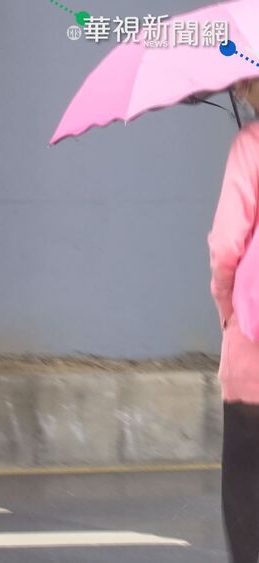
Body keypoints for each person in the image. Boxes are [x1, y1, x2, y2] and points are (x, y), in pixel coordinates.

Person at [208, 77, 259, 563]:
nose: (240, 92)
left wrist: (227, 309)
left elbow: (226, 246)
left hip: (253, 352)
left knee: (247, 487)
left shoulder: (250, 147)